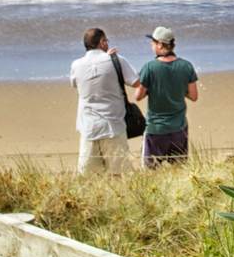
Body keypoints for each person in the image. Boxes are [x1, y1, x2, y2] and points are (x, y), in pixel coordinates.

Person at [69, 27, 135, 174]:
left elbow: (75, 84)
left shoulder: (76, 65)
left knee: (89, 176)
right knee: (119, 175)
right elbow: (136, 82)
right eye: (106, 41)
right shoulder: (116, 61)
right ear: (102, 42)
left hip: (88, 127)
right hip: (113, 126)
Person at [132, 26, 199, 167]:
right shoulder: (186, 66)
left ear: (160, 45)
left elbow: (138, 96)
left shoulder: (149, 67)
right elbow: (193, 96)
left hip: (156, 128)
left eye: (153, 42)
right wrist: (179, 89)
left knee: (151, 171)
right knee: (179, 168)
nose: (151, 45)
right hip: (178, 127)